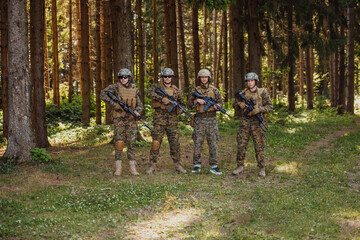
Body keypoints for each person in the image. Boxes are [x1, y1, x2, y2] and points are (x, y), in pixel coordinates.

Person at [100, 68, 143, 176]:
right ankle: (118, 169)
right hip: (119, 119)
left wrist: (137, 112)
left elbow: (140, 105)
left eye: (125, 77)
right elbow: (102, 94)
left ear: (129, 77)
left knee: (132, 143)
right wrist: (115, 104)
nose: (123, 79)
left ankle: (132, 168)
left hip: (131, 120)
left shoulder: (134, 89)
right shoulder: (114, 87)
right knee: (119, 143)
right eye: (121, 77)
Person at [145, 68, 187, 174]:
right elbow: (149, 94)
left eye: (169, 76)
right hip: (159, 119)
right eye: (165, 76)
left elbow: (182, 104)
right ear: (162, 77)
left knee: (175, 143)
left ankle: (177, 164)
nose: (167, 78)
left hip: (172, 120)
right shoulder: (157, 87)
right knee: (156, 142)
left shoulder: (176, 90)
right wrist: (161, 99)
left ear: (172, 77)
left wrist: (179, 110)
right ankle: (152, 165)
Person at [232, 72, 273, 177]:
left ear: (255, 81)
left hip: (258, 122)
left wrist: (260, 110)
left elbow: (270, 106)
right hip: (245, 121)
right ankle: (239, 166)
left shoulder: (262, 92)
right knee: (241, 144)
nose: (250, 83)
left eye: (252, 81)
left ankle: (261, 167)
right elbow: (234, 104)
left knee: (259, 146)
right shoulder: (243, 93)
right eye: (248, 81)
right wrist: (239, 104)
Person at [187, 69, 223, 175]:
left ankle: (214, 165)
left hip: (212, 119)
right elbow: (189, 104)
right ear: (199, 78)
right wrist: (196, 101)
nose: (204, 79)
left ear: (208, 78)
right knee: (198, 142)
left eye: (206, 77)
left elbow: (220, 102)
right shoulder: (195, 91)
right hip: (199, 119)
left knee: (213, 142)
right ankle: (197, 165)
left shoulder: (215, 90)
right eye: (202, 77)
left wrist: (218, 106)